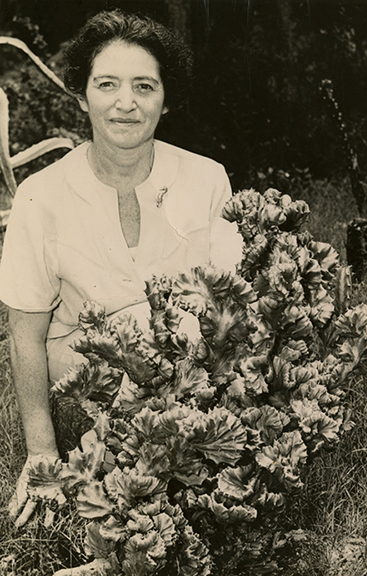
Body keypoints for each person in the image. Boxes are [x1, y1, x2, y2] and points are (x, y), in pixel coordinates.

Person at [0, 9, 242, 526]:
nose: (126, 103)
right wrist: (41, 452)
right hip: (83, 375)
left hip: (187, 370)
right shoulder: (39, 196)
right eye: (107, 84)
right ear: (82, 94)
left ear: (166, 99)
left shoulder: (207, 179)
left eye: (145, 86)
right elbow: (24, 335)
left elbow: (231, 311)